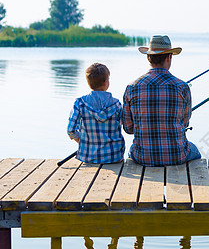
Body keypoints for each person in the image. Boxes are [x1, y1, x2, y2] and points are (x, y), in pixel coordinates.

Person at [123, 35, 201, 166]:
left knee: (131, 151)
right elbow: (184, 123)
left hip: (142, 157)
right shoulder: (182, 87)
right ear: (169, 57)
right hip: (177, 156)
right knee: (195, 151)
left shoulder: (131, 87)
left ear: (149, 57)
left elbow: (128, 128)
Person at [67, 63, 125, 164]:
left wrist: (84, 143)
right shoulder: (116, 104)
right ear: (106, 82)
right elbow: (126, 126)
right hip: (114, 157)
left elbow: (71, 130)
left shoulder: (80, 103)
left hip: (88, 157)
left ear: (88, 83)